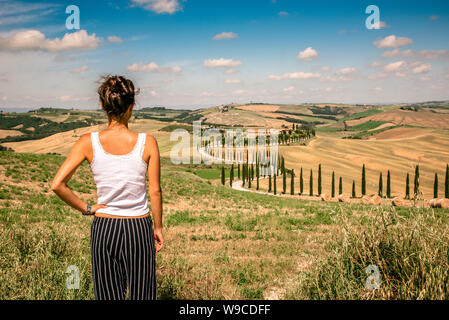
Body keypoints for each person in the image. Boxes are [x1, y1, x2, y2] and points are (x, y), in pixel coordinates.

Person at [51, 75, 164, 300]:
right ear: (132, 106)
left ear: (102, 105)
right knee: (143, 295)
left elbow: (57, 185)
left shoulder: (87, 142)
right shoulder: (147, 142)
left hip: (104, 228)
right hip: (138, 227)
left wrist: (87, 207)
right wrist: (158, 228)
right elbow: (155, 191)